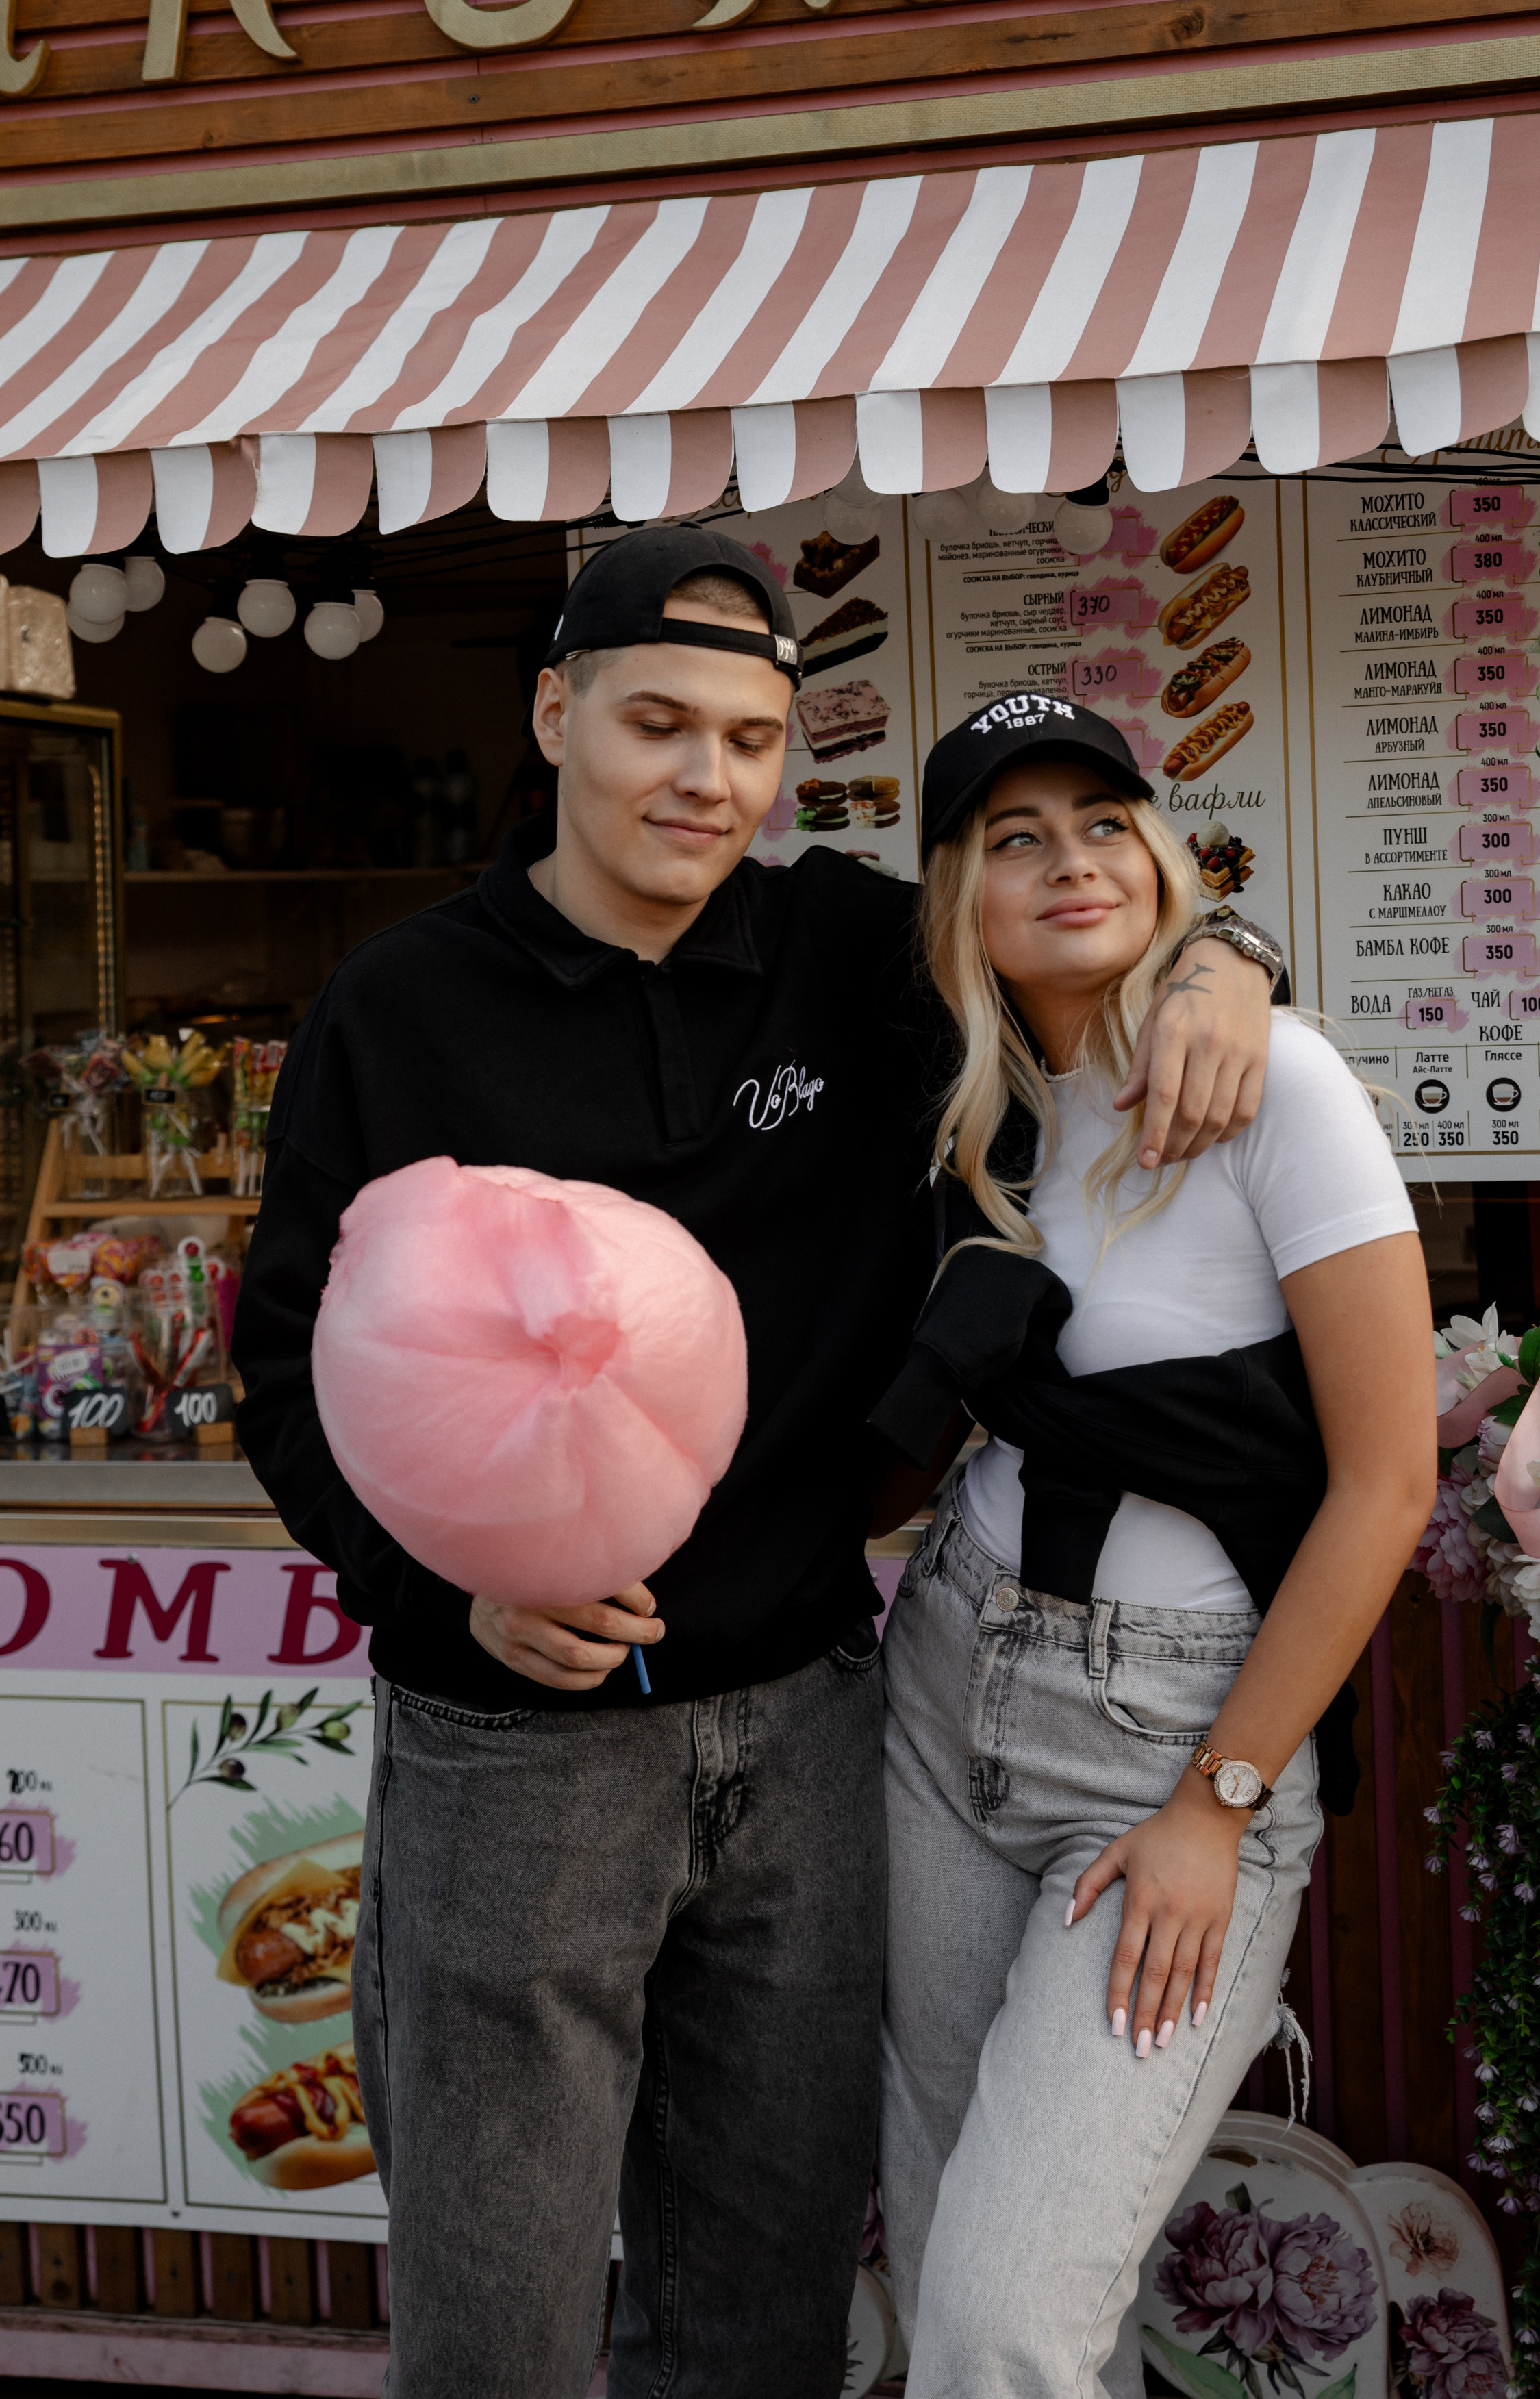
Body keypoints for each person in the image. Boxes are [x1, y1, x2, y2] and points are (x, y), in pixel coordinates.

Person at [232, 526, 1282, 2399]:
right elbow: (281, 1367)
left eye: (747, 739)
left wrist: (1224, 970)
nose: (705, 780)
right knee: (503, 2333)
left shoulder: (850, 952)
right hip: (512, 1744)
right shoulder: (400, 1009)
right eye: (656, 724)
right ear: (555, 714)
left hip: (806, 1721)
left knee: (762, 2316)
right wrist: (443, 1588)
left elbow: (1080, 931)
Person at [873, 698, 1437, 2399]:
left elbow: (1386, 1485)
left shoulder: (1280, 1081)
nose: (1066, 862)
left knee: (1000, 2322)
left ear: (1159, 854)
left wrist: (1219, 1803)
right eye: (1013, 838)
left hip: (1171, 1747)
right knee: (960, 2264)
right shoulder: (969, 1102)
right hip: (944, 1687)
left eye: (1102, 821)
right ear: (959, 894)